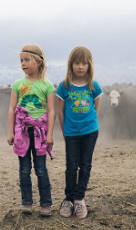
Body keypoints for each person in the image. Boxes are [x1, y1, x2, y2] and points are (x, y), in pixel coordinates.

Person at [8, 44, 55, 216]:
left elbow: (51, 111)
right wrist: (11, 132)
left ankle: (46, 203)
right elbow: (12, 109)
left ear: (39, 62)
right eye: (21, 60)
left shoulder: (47, 85)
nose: (23, 63)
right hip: (22, 132)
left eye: (27, 60)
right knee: (24, 169)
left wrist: (50, 134)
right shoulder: (17, 85)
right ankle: (26, 202)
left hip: (40, 134)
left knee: (41, 169)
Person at [57, 46, 102, 219]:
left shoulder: (93, 85)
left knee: (85, 165)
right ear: (71, 65)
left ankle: (79, 199)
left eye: (84, 63)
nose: (80, 66)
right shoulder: (65, 86)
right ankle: (68, 199)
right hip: (71, 133)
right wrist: (65, 130)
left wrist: (90, 124)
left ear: (89, 65)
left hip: (90, 132)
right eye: (77, 63)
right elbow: (60, 111)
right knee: (71, 166)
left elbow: (96, 106)